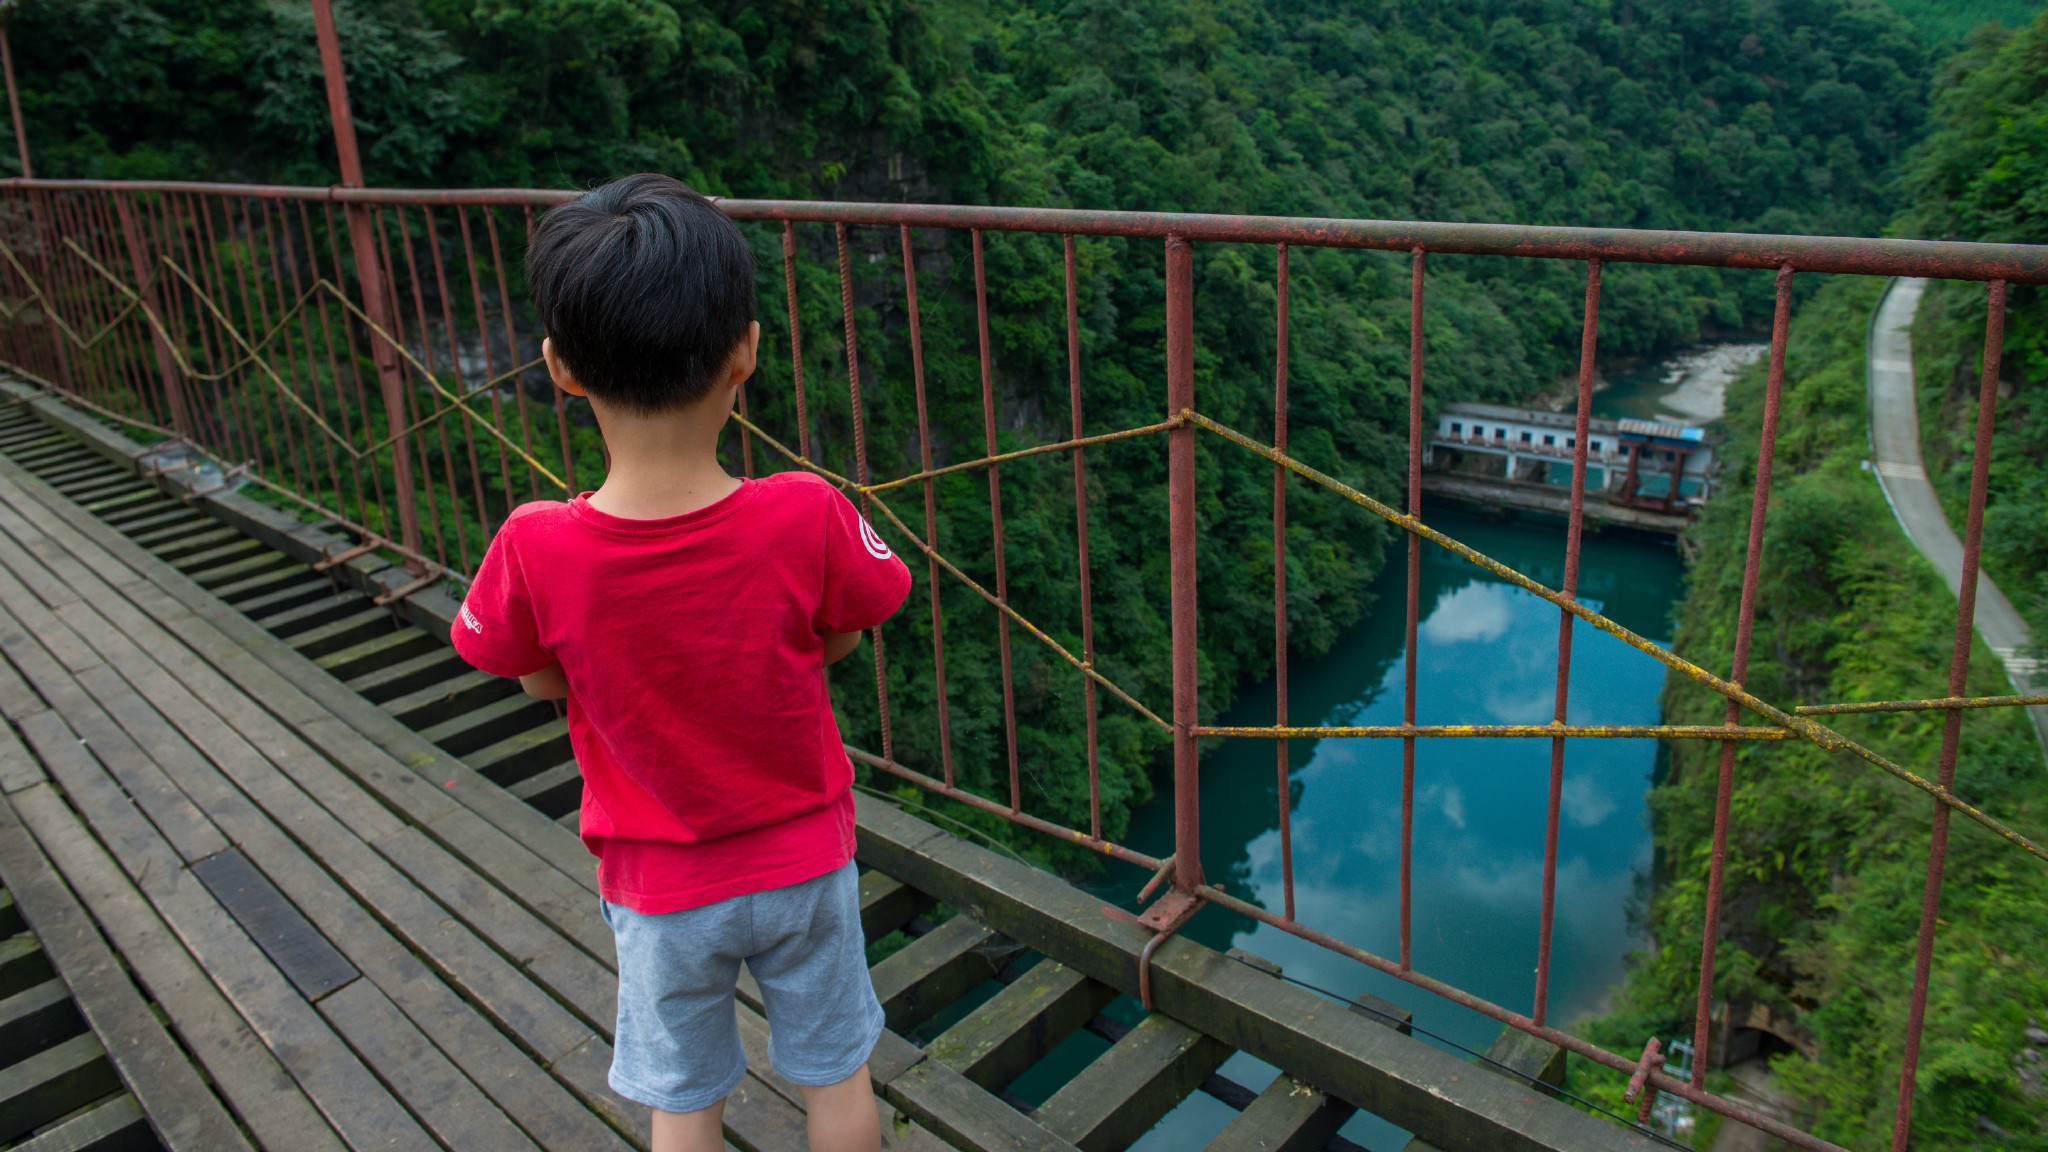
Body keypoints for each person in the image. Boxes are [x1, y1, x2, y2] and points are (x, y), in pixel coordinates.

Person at [450, 173, 909, 1152]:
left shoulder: (535, 545)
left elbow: (531, 675)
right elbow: (845, 633)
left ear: (559, 367)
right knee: (836, 1077)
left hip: (661, 891)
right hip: (802, 863)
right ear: (744, 349)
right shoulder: (804, 512)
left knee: (682, 1099)